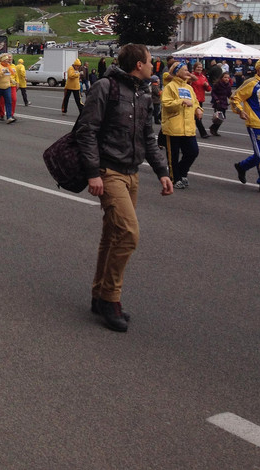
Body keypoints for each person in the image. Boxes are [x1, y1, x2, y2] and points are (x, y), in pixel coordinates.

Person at [75, 44, 173, 333]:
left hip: (132, 173)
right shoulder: (106, 87)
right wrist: (94, 173)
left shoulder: (143, 92)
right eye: (149, 61)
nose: (152, 64)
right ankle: (110, 298)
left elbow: (147, 135)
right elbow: (87, 130)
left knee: (112, 235)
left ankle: (98, 293)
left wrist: (162, 171)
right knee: (129, 234)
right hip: (109, 171)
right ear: (137, 64)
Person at [230, 58, 260, 194]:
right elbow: (235, 98)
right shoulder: (252, 83)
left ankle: (242, 166)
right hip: (256, 125)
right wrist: (240, 111)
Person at [161, 61, 203, 189]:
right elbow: (166, 103)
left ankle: (182, 171)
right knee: (173, 156)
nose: (188, 72)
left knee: (193, 152)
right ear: (177, 72)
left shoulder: (189, 88)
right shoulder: (170, 87)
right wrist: (181, 101)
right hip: (174, 126)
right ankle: (175, 178)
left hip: (188, 127)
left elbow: (195, 102)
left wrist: (198, 109)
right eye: (185, 70)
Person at [0, 53, 16, 123]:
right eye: (6, 60)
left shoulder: (8, 66)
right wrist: (3, 72)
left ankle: (9, 117)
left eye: (8, 60)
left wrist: (12, 80)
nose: (7, 61)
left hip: (7, 87)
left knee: (9, 101)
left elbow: (9, 75)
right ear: (2, 60)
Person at [189, 62, 211, 138]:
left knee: (198, 117)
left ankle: (191, 130)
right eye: (198, 67)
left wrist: (207, 86)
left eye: (201, 67)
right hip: (193, 99)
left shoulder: (203, 77)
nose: (199, 69)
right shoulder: (191, 76)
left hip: (200, 99)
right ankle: (203, 133)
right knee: (197, 117)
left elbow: (208, 89)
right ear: (194, 68)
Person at [210, 71, 232, 136]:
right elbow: (213, 92)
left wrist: (232, 98)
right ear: (222, 78)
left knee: (222, 117)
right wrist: (216, 99)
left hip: (224, 102)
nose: (226, 79)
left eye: (228, 78)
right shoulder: (218, 84)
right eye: (225, 77)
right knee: (219, 117)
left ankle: (213, 128)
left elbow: (229, 94)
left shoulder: (228, 85)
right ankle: (214, 129)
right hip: (218, 102)